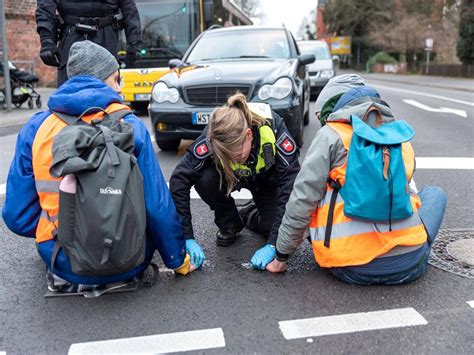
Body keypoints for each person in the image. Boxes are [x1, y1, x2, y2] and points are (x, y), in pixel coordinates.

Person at [2, 41, 197, 294]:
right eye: (117, 79)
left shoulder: (37, 127)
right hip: (129, 259)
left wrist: (59, 230)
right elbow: (157, 206)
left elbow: (15, 215)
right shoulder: (131, 126)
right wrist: (177, 259)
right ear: (105, 78)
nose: (119, 86)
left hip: (63, 260)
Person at [266, 85, 447, 285]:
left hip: (349, 268)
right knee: (434, 193)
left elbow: (302, 199)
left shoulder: (331, 135)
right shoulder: (401, 139)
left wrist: (281, 256)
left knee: (314, 192)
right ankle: (411, 244)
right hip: (410, 265)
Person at [170, 95, 301, 270]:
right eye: (227, 156)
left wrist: (274, 244)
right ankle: (230, 221)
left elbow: (291, 186)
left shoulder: (275, 130)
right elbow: (179, 179)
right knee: (204, 178)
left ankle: (249, 213)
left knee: (272, 228)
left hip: (265, 180)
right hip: (228, 179)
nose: (236, 161)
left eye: (237, 155)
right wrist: (186, 236)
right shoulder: (216, 134)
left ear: (248, 135)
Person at [36, 0, 142, 86]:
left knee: (108, 95)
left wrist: (134, 41)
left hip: (105, 35)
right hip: (72, 35)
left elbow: (129, 9)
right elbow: (45, 8)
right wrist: (47, 41)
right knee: (69, 95)